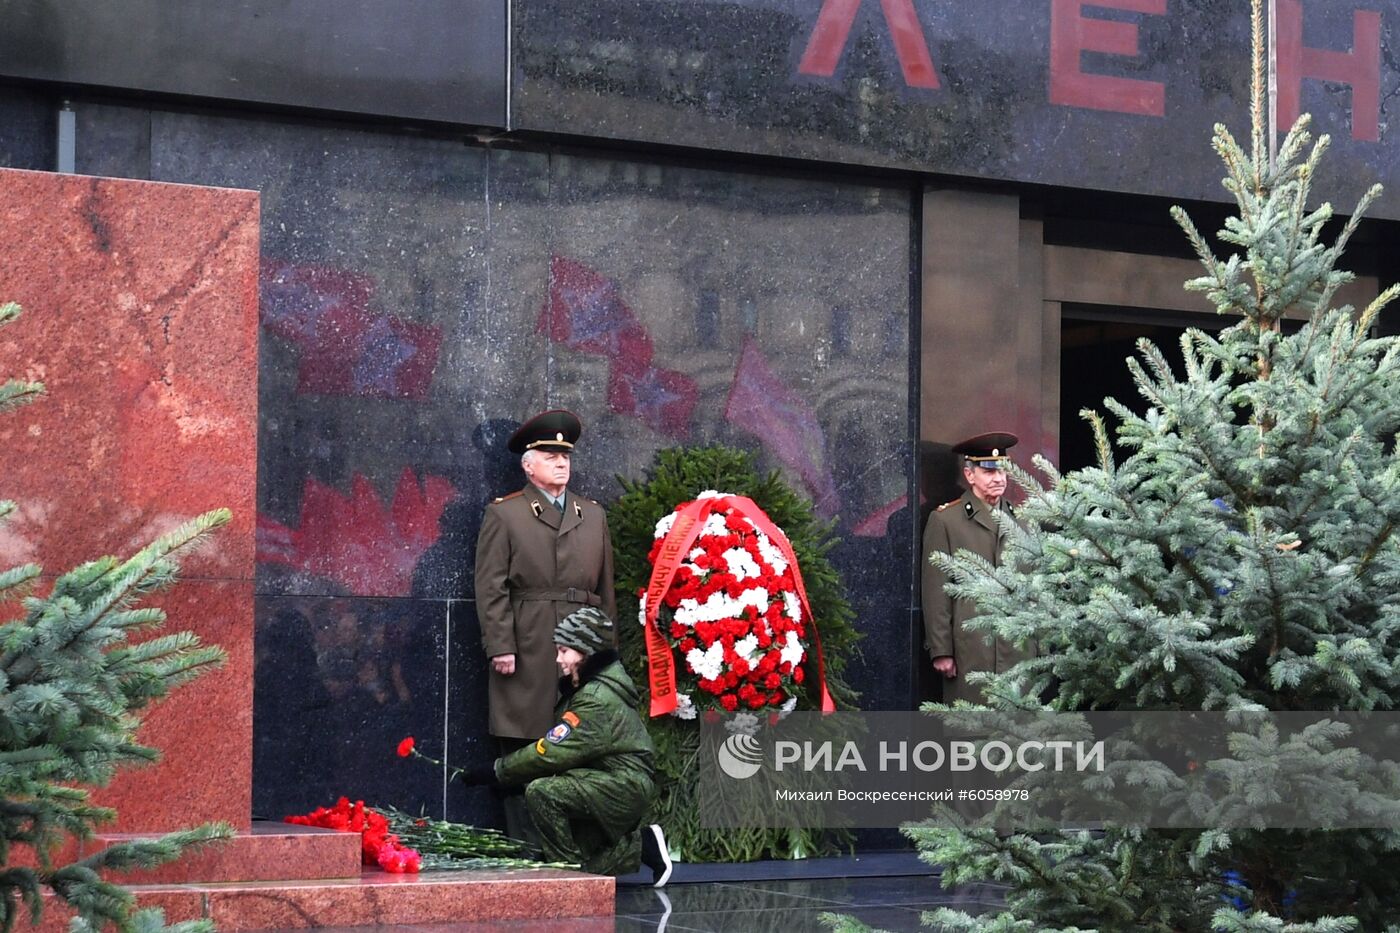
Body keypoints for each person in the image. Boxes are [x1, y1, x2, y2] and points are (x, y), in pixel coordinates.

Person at [461, 607, 672, 886]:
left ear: (585, 651)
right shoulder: (590, 688)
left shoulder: (595, 699)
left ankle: (569, 878)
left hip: (622, 787)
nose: (558, 659)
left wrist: (497, 771)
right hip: (612, 782)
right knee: (588, 861)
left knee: (543, 792)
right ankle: (638, 848)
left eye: (564, 650)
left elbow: (551, 753)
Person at [474, 409, 617, 747]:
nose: (561, 463)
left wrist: (607, 650)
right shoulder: (505, 514)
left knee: (580, 735)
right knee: (527, 739)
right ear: (528, 466)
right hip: (529, 642)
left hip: (581, 642)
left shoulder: (593, 515)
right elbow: (491, 585)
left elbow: (605, 589)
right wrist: (500, 646)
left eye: (565, 456)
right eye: (550, 456)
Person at [921, 431, 1034, 706]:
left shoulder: (1023, 520)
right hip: (971, 649)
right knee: (970, 735)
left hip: (1019, 649)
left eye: (1003, 472)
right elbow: (936, 591)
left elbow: (1035, 586)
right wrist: (941, 650)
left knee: (1022, 738)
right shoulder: (946, 520)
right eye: (989, 472)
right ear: (970, 475)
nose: (998, 479)